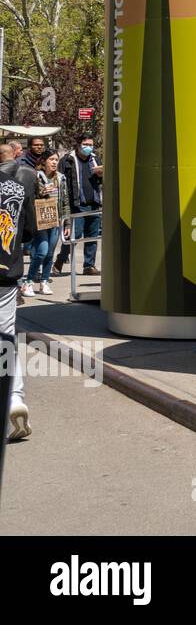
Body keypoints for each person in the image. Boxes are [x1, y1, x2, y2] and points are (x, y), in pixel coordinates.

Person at [0, 142, 37, 441]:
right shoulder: (17, 187)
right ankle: (15, 397)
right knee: (6, 335)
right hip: (6, 273)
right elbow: (29, 231)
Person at [54, 134, 102, 276]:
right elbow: (60, 181)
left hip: (94, 203)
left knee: (92, 236)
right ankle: (60, 261)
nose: (88, 147)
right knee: (74, 235)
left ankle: (89, 265)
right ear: (78, 144)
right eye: (85, 144)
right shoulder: (67, 160)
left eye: (90, 144)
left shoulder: (94, 159)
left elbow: (100, 181)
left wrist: (101, 175)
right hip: (76, 204)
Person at [23, 153, 69, 298]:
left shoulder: (61, 178)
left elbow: (65, 201)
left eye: (56, 160)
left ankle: (44, 281)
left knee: (50, 253)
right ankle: (28, 281)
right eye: (51, 159)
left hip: (56, 220)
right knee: (41, 251)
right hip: (40, 220)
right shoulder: (36, 176)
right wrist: (42, 192)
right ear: (43, 161)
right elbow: (30, 196)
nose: (54, 162)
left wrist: (67, 222)